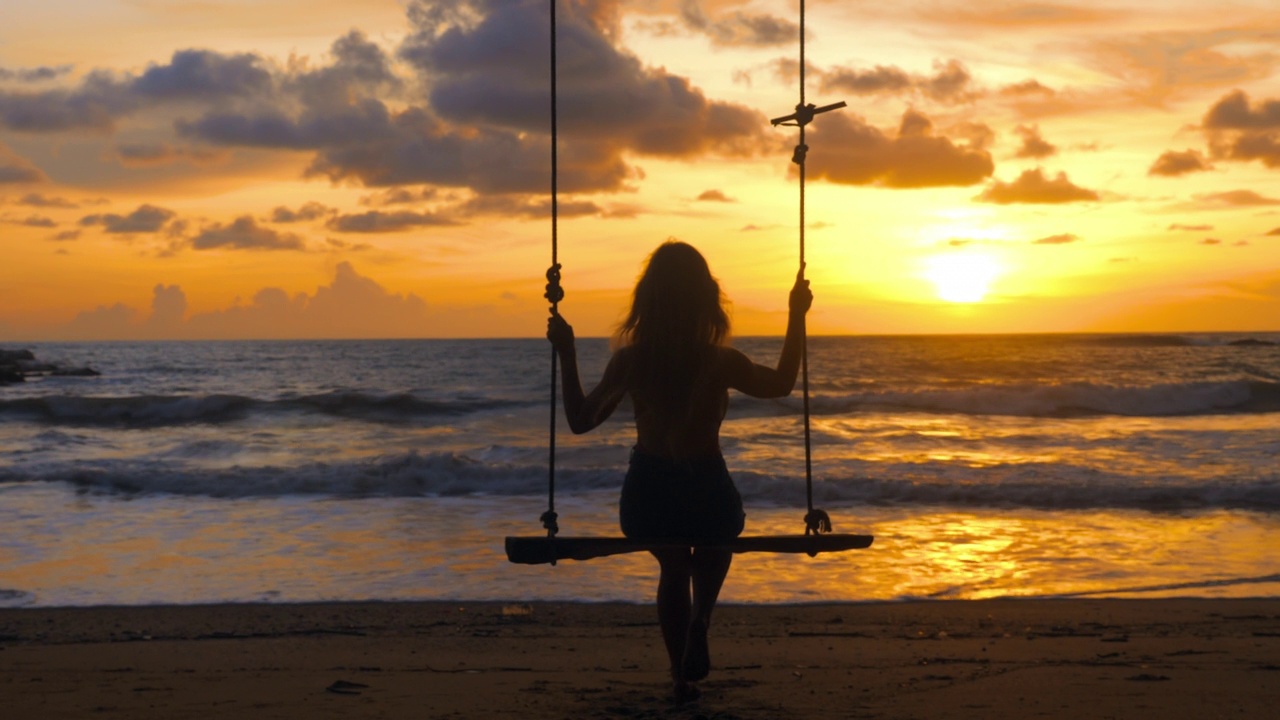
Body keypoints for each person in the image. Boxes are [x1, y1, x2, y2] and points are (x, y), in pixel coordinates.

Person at [546, 240, 812, 702]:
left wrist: (567, 354)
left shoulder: (633, 362)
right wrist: (796, 315)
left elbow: (580, 420)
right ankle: (701, 620)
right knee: (717, 540)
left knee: (673, 565)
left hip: (649, 493)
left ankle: (678, 675)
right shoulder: (719, 361)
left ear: (647, 300)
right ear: (706, 300)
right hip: (707, 489)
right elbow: (782, 383)